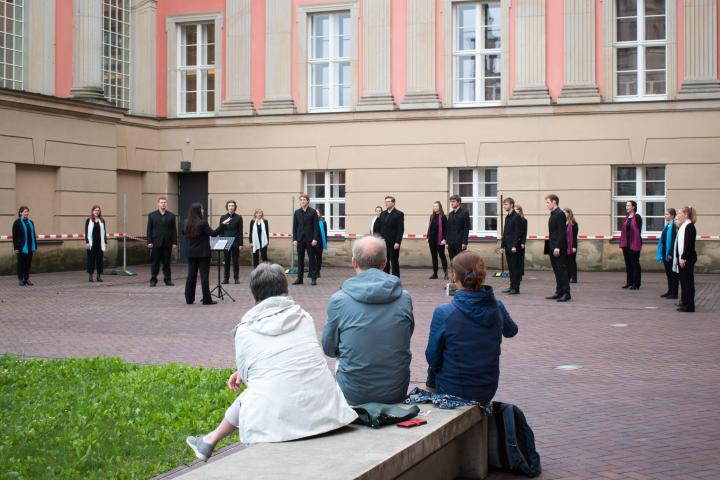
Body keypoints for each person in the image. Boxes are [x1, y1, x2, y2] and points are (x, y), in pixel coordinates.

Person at [186, 263, 357, 461]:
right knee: (269, 386)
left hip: (278, 422)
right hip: (326, 414)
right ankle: (208, 440)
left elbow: (253, 379)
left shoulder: (245, 329)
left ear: (254, 295)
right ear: (286, 289)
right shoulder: (304, 318)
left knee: (258, 392)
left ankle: (209, 440)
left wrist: (244, 372)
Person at [322, 236, 414, 406]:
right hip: (395, 391)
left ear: (354, 262)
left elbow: (329, 348)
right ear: (385, 262)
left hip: (353, 394)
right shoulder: (404, 298)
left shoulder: (338, 300)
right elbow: (406, 335)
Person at [425, 250, 518, 405]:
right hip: (487, 387)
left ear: (454, 276)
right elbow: (511, 331)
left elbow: (432, 358)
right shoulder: (497, 307)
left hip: (454, 388)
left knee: (434, 366)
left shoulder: (444, 313)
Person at [182, 202, 226, 305]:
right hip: (203, 253)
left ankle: (189, 299)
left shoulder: (186, 222)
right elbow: (213, 234)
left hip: (191, 252)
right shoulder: (203, 223)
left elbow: (184, 233)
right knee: (204, 277)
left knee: (191, 276)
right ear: (198, 210)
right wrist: (222, 226)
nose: (203, 210)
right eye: (201, 209)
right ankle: (206, 299)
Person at [147, 197, 178, 287]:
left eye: (164, 202)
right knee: (155, 263)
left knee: (167, 263)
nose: (163, 204)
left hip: (167, 243)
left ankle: (168, 280)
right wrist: (149, 241)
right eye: (161, 202)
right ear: (158, 204)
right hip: (156, 243)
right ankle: (153, 280)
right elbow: (149, 230)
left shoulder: (171, 216)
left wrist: (174, 242)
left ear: (166, 204)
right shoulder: (152, 215)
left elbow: (174, 230)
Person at [545, 194, 571, 302]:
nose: (546, 204)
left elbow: (561, 232)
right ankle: (559, 291)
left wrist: (557, 247)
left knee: (562, 271)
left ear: (554, 202)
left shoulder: (560, 214)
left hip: (558, 248)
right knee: (557, 271)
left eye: (548, 202)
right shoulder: (553, 214)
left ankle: (566, 293)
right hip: (552, 246)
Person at [292, 194, 320, 285]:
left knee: (312, 259)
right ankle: (300, 278)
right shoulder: (297, 212)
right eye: (301, 200)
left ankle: (313, 278)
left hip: (310, 239)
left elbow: (316, 227)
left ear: (308, 201)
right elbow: (295, 227)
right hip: (300, 239)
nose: (302, 201)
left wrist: (315, 239)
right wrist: (295, 239)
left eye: (304, 200)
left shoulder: (313, 212)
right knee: (300, 259)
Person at [674, 206, 697, 313]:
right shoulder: (684, 226)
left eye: (680, 213)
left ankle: (690, 306)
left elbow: (688, 245)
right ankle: (685, 303)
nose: (678, 215)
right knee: (684, 282)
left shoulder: (689, 226)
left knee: (688, 283)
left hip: (687, 259)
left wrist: (683, 258)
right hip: (683, 258)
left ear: (686, 215)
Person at [375, 195, 404, 277]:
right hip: (383, 243)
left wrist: (397, 242)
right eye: (385, 201)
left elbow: (400, 230)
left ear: (393, 203)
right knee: (385, 263)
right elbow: (379, 228)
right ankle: (385, 279)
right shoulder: (383, 214)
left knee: (394, 263)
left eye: (388, 201)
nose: (386, 203)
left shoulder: (399, 214)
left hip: (393, 243)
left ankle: (396, 279)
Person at [218, 200, 243, 285]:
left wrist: (240, 243)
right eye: (229, 206)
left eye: (232, 206)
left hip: (235, 242)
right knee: (226, 261)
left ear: (235, 207)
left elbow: (240, 231)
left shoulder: (239, 217)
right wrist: (221, 242)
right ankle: (226, 278)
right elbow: (221, 230)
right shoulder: (223, 217)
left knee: (236, 261)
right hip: (226, 242)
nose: (231, 207)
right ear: (227, 207)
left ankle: (236, 278)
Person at [619, 200, 643, 290]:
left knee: (635, 264)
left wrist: (634, 243)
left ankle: (636, 284)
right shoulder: (626, 217)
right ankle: (629, 282)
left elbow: (638, 231)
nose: (626, 207)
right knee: (628, 264)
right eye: (626, 205)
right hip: (626, 244)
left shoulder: (637, 217)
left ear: (633, 207)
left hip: (634, 244)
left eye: (628, 205)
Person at [501, 197, 522, 294]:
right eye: (504, 204)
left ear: (511, 205)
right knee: (510, 268)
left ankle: (516, 288)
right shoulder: (507, 217)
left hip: (514, 247)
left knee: (515, 267)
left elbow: (518, 233)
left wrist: (514, 245)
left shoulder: (516, 217)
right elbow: (505, 233)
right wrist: (502, 246)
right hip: (508, 246)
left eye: (506, 204)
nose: (504, 206)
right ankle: (511, 285)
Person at [12, 206, 36, 287]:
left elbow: (33, 234)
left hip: (30, 246)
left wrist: (34, 245)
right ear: (21, 213)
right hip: (21, 247)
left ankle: (26, 279)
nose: (27, 213)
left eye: (27, 211)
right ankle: (20, 279)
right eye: (25, 211)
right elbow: (14, 236)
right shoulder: (17, 222)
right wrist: (15, 247)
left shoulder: (31, 222)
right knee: (21, 264)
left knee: (28, 264)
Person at [657, 208, 678, 299]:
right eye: (665, 214)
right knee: (668, 273)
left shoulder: (674, 226)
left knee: (673, 274)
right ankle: (670, 291)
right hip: (665, 251)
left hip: (670, 253)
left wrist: (670, 253)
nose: (665, 216)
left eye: (667, 214)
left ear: (672, 215)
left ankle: (674, 293)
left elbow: (674, 241)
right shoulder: (667, 226)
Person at [85, 205, 107, 282]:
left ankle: (99, 276)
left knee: (99, 260)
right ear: (92, 211)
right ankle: (90, 276)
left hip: (100, 243)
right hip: (91, 243)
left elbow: (104, 232)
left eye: (98, 210)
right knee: (91, 260)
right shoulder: (89, 220)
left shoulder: (102, 220)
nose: (97, 211)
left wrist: (105, 242)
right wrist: (87, 242)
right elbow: (86, 232)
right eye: (95, 210)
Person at [427, 201, 448, 280]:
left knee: (442, 255)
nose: (435, 208)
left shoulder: (443, 217)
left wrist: (445, 239)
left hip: (440, 239)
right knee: (434, 256)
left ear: (440, 207)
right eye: (434, 206)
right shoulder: (432, 216)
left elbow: (446, 229)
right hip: (432, 239)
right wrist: (427, 237)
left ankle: (446, 273)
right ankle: (435, 274)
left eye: (436, 206)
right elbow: (429, 228)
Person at [446, 195, 470, 260]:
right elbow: (448, 229)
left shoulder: (464, 213)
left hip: (460, 242)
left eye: (453, 201)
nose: (451, 203)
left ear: (459, 202)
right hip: (451, 243)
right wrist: (447, 242)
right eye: (451, 202)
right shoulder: (450, 214)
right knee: (452, 261)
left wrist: (464, 242)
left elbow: (466, 228)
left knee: (460, 262)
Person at [564, 208, 579, 284]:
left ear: (569, 213)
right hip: (565, 245)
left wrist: (574, 246)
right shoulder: (563, 222)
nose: (564, 214)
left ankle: (574, 278)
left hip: (571, 246)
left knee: (572, 262)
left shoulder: (574, 224)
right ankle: (568, 277)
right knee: (566, 262)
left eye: (565, 213)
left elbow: (574, 236)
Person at [313, 210, 328, 278]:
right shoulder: (311, 222)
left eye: (317, 213)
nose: (316, 214)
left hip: (320, 242)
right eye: (315, 213)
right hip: (312, 242)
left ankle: (318, 271)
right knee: (312, 258)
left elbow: (325, 233)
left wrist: (325, 243)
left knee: (318, 257)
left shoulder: (323, 222)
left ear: (320, 214)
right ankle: (313, 271)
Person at [515, 205, 528, 281]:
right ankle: (515, 274)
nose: (515, 210)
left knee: (520, 259)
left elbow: (524, 232)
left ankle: (520, 275)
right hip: (514, 242)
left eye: (516, 209)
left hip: (520, 242)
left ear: (519, 210)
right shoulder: (513, 219)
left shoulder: (524, 220)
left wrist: (523, 242)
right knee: (515, 260)